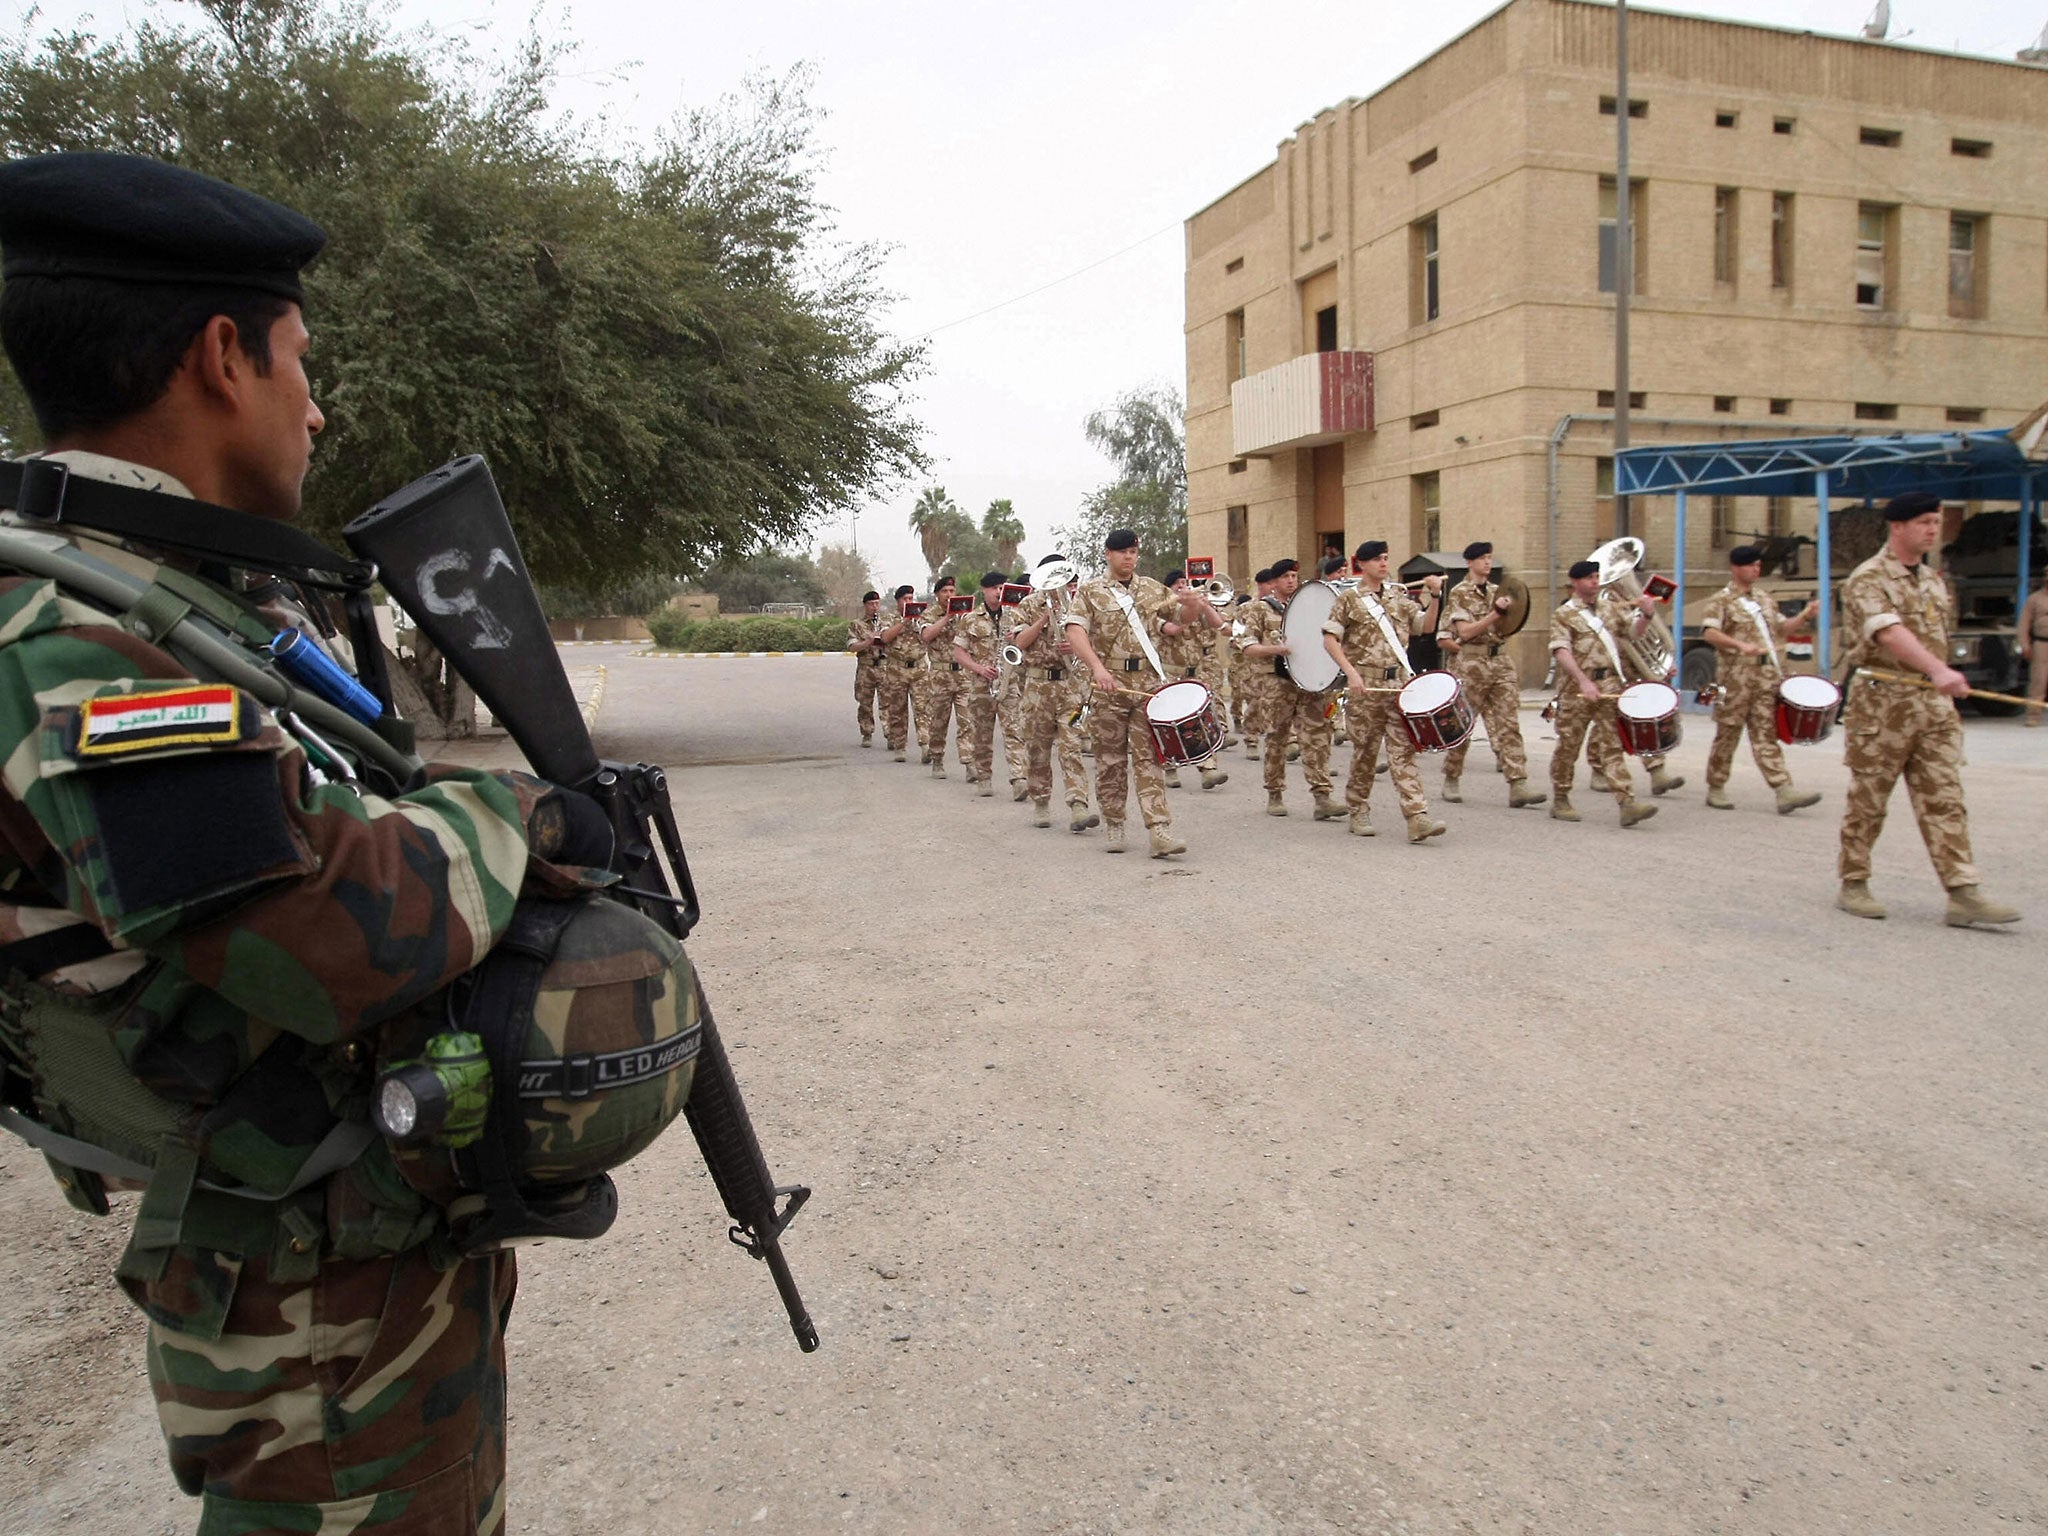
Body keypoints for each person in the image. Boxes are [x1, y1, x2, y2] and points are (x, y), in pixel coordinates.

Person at [0, 151, 630, 1532]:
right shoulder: (83, 640)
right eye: (300, 359)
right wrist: (516, 813)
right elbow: (326, 940)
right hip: (308, 1294)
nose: (318, 401)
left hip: (341, 1246)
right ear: (222, 358)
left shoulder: (158, 596)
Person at [1835, 493, 2020, 925]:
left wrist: (1940, 676)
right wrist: (1939, 670)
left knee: (1945, 798)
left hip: (1932, 706)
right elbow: (1889, 635)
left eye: (1936, 521)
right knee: (1869, 799)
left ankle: (1962, 891)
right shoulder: (1869, 578)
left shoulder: (1935, 580)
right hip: (1883, 702)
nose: (1933, 529)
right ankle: (1854, 881)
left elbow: (1934, 636)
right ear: (1897, 527)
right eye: (1924, 522)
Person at [1064, 528, 1202, 857]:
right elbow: (1074, 630)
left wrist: (1193, 605)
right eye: (1122, 551)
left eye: (1133, 551)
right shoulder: (1090, 592)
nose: (1129, 557)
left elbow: (1181, 621)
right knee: (1110, 759)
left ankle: (1159, 830)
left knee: (1150, 758)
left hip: (1147, 686)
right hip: (1108, 686)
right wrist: (1097, 668)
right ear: (1108, 554)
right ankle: (1114, 824)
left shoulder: (1152, 589)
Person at [1320, 541, 1447, 841]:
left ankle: (1417, 817)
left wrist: (1436, 596)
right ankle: (1358, 809)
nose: (1383, 563)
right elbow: (1330, 639)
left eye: (1386, 558)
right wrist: (1350, 673)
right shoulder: (1349, 599)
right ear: (1361, 564)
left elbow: (1425, 627)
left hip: (1398, 686)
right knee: (1365, 752)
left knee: (1403, 751)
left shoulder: (1398, 596)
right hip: (1366, 686)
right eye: (1377, 559)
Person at [1696, 545, 1823, 813]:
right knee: (1727, 734)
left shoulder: (1765, 599)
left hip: (1765, 678)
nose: (1756, 569)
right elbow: (1709, 633)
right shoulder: (1722, 600)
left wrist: (1804, 616)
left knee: (1766, 734)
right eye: (1751, 565)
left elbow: (1782, 628)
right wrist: (1740, 646)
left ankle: (1783, 789)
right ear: (1736, 568)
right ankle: (1716, 786)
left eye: (1758, 565)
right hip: (1735, 679)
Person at [1547, 558, 1660, 827]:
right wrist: (1583, 681)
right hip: (1576, 689)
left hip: (1609, 685)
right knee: (1568, 746)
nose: (1595, 582)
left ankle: (1627, 802)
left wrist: (1646, 615)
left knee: (1612, 745)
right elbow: (1561, 651)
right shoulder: (1564, 614)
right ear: (1575, 582)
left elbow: (1632, 634)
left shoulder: (1609, 609)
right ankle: (1561, 797)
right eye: (1589, 578)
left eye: (1597, 577)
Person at [1435, 541, 1545, 808]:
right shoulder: (1460, 593)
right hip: (1471, 664)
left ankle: (1518, 783)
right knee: (1464, 725)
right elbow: (1465, 633)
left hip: (1500, 662)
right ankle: (1451, 776)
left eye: (1489, 558)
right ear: (1470, 562)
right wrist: (1496, 614)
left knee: (1508, 724)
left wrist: (1508, 612)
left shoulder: (1499, 592)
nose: (1487, 562)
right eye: (1482, 558)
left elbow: (1511, 625)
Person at [1243, 559, 1339, 817]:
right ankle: (1275, 792)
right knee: (1277, 737)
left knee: (1316, 737)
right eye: (1285, 576)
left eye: (1294, 575)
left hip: (1309, 682)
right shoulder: (1259, 610)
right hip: (1276, 683)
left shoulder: (1308, 607)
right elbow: (1247, 647)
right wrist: (1276, 649)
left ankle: (1322, 797)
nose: (1291, 580)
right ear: (1273, 583)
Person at [1009, 554, 1098, 832]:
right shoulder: (1026, 606)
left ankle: (1078, 805)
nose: (1064, 585)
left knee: (1071, 745)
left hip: (1071, 689)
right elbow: (1020, 642)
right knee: (1038, 748)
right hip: (1038, 689)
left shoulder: (1079, 605)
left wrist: (1075, 646)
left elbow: (1094, 640)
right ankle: (1041, 802)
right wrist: (1044, 619)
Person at [1157, 568, 1229, 791]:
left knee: (1202, 720)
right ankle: (1169, 767)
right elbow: (1173, 630)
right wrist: (1186, 610)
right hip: (1170, 672)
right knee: (1168, 724)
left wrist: (1204, 605)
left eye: (1185, 582)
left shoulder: (1200, 608)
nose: (1183, 586)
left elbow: (1222, 627)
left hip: (1197, 672)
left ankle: (1208, 768)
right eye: (1178, 583)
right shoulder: (1162, 609)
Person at [951, 570, 1011, 796]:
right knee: (982, 734)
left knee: (1014, 732)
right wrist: (979, 669)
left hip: (1009, 682)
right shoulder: (970, 619)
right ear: (984, 590)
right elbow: (959, 652)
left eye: (1002, 587)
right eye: (995, 588)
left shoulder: (1013, 616)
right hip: (980, 685)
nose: (999, 592)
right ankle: (984, 777)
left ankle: (1019, 778)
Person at [917, 574, 963, 777]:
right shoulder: (928, 614)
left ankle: (969, 762)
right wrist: (947, 617)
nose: (949, 594)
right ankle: (937, 759)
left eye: (952, 591)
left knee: (968, 721)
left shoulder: (966, 614)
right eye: (945, 591)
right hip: (939, 675)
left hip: (963, 675)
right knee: (938, 721)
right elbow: (926, 636)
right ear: (937, 595)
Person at [1232, 570, 1275, 756]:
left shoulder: (1282, 607)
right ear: (1260, 585)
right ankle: (1251, 739)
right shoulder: (1247, 608)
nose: (1273, 587)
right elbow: (1237, 634)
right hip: (1253, 664)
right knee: (1256, 701)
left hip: (1277, 663)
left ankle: (1287, 740)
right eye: (1269, 583)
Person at [877, 584, 922, 760]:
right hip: (897, 670)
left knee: (922, 709)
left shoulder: (921, 618)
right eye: (905, 599)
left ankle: (925, 744)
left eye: (911, 598)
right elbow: (885, 637)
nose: (909, 602)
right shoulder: (889, 618)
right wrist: (904, 621)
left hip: (918, 670)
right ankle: (899, 746)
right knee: (898, 710)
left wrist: (915, 620)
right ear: (898, 601)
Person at [846, 589, 887, 746]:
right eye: (871, 604)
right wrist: (869, 641)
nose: (874, 607)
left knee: (887, 702)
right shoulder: (857, 625)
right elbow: (852, 647)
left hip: (884, 667)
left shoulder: (886, 623)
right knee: (865, 703)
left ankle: (890, 733)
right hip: (866, 668)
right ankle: (867, 732)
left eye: (877, 603)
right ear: (865, 605)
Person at [2022, 570, 2048, 727]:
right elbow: (2024, 623)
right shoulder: (2035, 599)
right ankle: (2033, 715)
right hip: (2042, 644)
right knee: (2039, 679)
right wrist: (2025, 644)